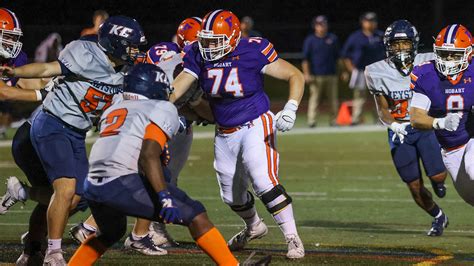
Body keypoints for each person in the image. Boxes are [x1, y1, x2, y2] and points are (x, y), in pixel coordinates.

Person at [0, 15, 146, 265]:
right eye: (131, 45)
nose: (136, 52)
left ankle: (31, 245)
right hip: (52, 123)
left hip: (75, 132)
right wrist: (17, 72)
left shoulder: (125, 71)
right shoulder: (85, 53)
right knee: (65, 190)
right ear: (115, 44)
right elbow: (46, 68)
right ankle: (53, 253)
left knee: (77, 197)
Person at [67, 63, 239, 266]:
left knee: (112, 232)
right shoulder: (162, 107)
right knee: (196, 214)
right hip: (120, 181)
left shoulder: (115, 108)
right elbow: (148, 155)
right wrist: (164, 197)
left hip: (93, 184)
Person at [171, 9, 305, 259]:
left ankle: (292, 237)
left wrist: (291, 108)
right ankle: (254, 226)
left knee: (263, 181)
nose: (209, 46)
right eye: (206, 39)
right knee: (231, 196)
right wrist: (162, 106)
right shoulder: (197, 53)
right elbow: (180, 84)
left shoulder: (253, 50)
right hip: (224, 131)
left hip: (255, 123)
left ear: (233, 37)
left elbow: (294, 74)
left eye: (215, 41)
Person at [365, 20, 449, 236]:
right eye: (396, 44)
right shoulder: (376, 72)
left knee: (438, 177)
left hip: (424, 125)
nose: (401, 48)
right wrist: (393, 125)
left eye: (405, 43)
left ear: (414, 43)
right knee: (413, 186)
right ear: (388, 46)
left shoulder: (428, 61)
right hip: (399, 132)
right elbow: (382, 110)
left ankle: (438, 182)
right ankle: (439, 217)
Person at [410, 24, 474, 210]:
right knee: (470, 196)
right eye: (444, 54)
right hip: (451, 147)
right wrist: (440, 122)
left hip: (472, 134)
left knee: (472, 168)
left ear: (469, 53)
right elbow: (416, 117)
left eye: (454, 55)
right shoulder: (426, 74)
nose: (448, 60)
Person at [342, 12, 385, 125]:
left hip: (377, 71)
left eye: (373, 21)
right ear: (363, 22)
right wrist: (351, 69)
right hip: (361, 71)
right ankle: (356, 119)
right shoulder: (355, 37)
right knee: (359, 96)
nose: (371, 24)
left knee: (379, 96)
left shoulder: (380, 36)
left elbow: (387, 53)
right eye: (368, 21)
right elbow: (345, 54)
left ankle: (380, 118)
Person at [302, 15, 340, 127]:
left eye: (323, 24)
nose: (321, 27)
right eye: (319, 25)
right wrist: (306, 74)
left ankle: (334, 121)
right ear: (315, 26)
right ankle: (312, 121)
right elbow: (305, 59)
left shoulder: (333, 38)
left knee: (333, 100)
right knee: (314, 100)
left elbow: (338, 57)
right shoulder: (310, 40)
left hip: (331, 74)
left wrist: (341, 72)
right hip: (316, 75)